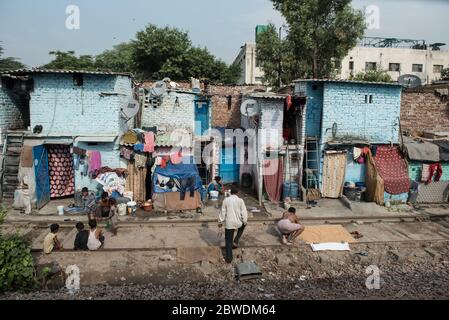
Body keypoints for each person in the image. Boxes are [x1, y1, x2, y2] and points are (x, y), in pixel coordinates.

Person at [219, 186, 248, 263]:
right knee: (244, 225)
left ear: (230, 192)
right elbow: (244, 213)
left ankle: (229, 259)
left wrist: (220, 222)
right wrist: (244, 221)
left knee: (228, 241)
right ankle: (236, 240)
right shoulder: (240, 200)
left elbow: (222, 212)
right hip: (238, 223)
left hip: (229, 224)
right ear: (237, 192)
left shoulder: (226, 200)